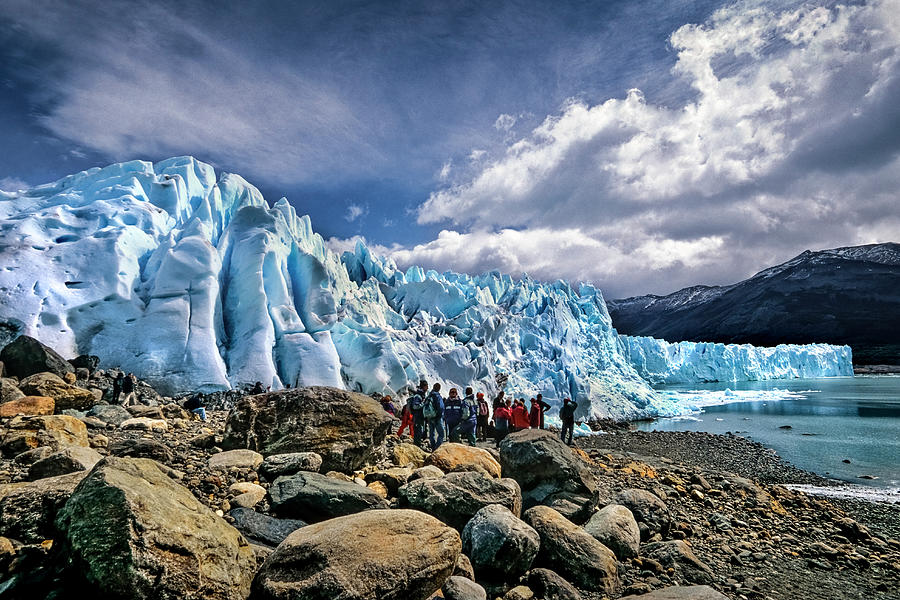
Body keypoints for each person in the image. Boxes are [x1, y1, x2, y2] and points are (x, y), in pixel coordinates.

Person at [425, 383, 445, 450]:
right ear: (439, 389)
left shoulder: (429, 396)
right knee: (441, 434)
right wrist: (439, 416)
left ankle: (433, 447)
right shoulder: (437, 396)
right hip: (437, 417)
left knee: (431, 433)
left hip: (430, 417)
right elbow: (441, 407)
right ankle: (437, 448)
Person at [408, 381, 428, 446]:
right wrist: (423, 404)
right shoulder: (418, 396)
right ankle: (417, 445)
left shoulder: (421, 395)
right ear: (424, 387)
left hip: (420, 416)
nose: (427, 388)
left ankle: (418, 443)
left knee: (419, 430)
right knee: (418, 430)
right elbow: (415, 406)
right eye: (426, 386)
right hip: (417, 416)